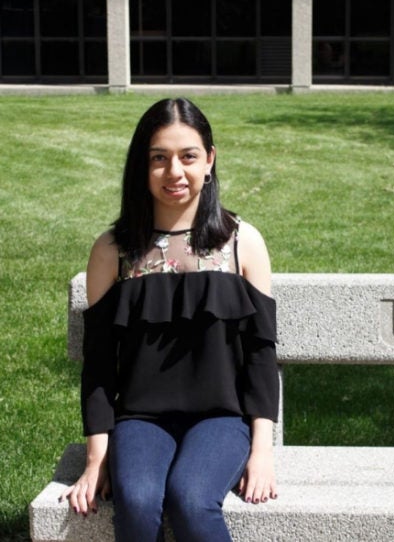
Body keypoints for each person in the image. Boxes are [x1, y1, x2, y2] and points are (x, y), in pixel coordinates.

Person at [60, 98, 279, 541]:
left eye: (188, 156)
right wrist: (96, 458)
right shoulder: (113, 250)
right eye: (159, 158)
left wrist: (263, 452)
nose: (174, 172)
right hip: (140, 420)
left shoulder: (242, 242)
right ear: (142, 166)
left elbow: (260, 354)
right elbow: (99, 364)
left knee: (191, 499)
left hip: (222, 420)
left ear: (210, 160)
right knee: (137, 503)